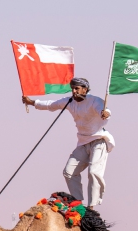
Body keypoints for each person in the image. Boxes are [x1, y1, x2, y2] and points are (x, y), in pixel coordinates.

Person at [22, 77, 113, 210]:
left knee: (94, 172)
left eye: (77, 88)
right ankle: (78, 203)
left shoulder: (94, 101)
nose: (74, 91)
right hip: (83, 142)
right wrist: (32, 102)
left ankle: (92, 207)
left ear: (85, 89)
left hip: (99, 141)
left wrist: (106, 113)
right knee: (68, 172)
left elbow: (105, 110)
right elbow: (50, 105)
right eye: (72, 89)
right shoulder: (69, 102)